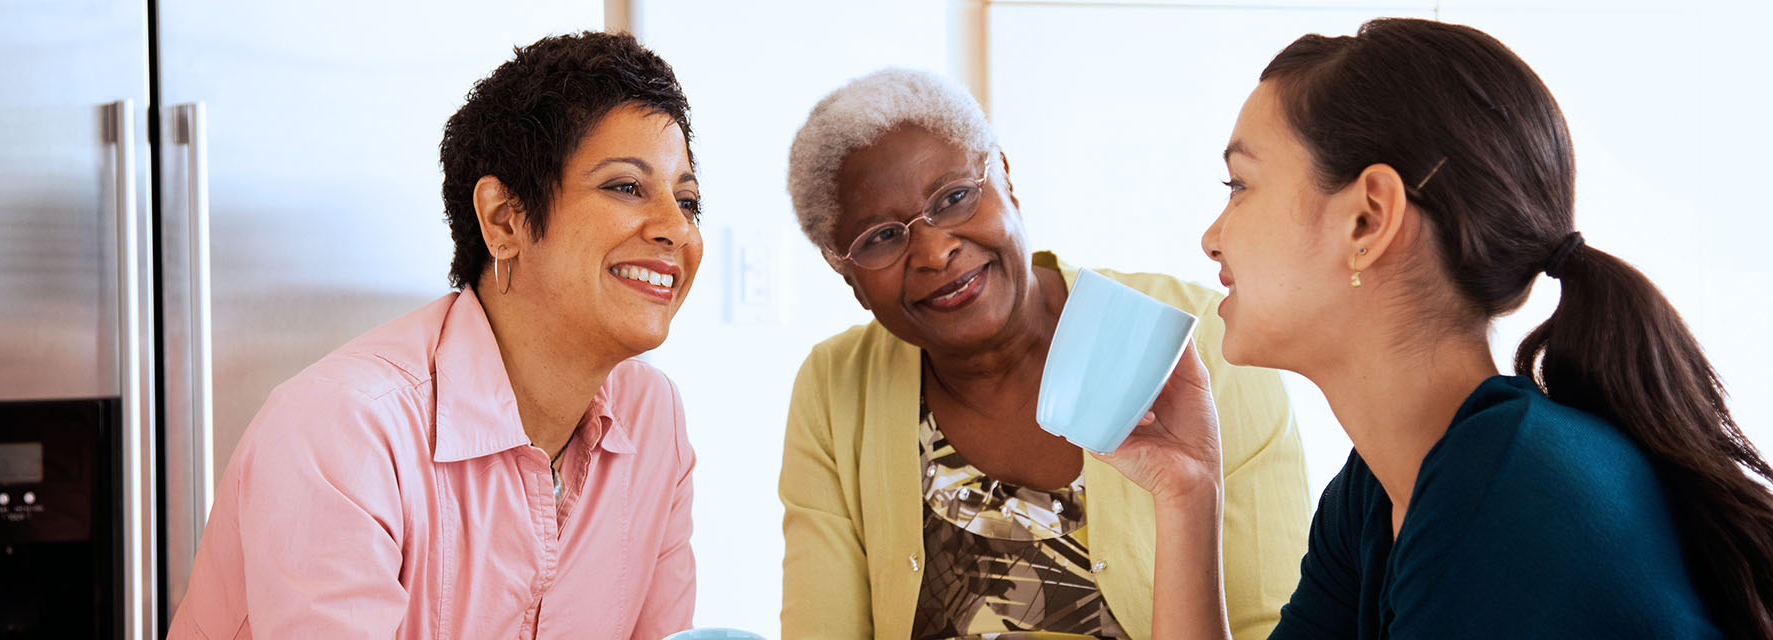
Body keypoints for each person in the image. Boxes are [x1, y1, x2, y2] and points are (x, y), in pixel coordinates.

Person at [1098, 17, 1773, 639]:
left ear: (1368, 219)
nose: (1212, 238)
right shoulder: (1378, 492)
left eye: (1240, 186)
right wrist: (1188, 492)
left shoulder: (1501, 498)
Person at [168, 32, 704, 638]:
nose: (676, 230)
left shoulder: (653, 419)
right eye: (626, 187)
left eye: (688, 200)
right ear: (505, 219)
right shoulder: (342, 430)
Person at [778, 68, 1311, 639]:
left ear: (1005, 177)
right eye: (882, 236)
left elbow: (1275, 626)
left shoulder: (1198, 343)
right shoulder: (835, 386)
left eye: (955, 197)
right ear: (847, 274)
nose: (935, 252)